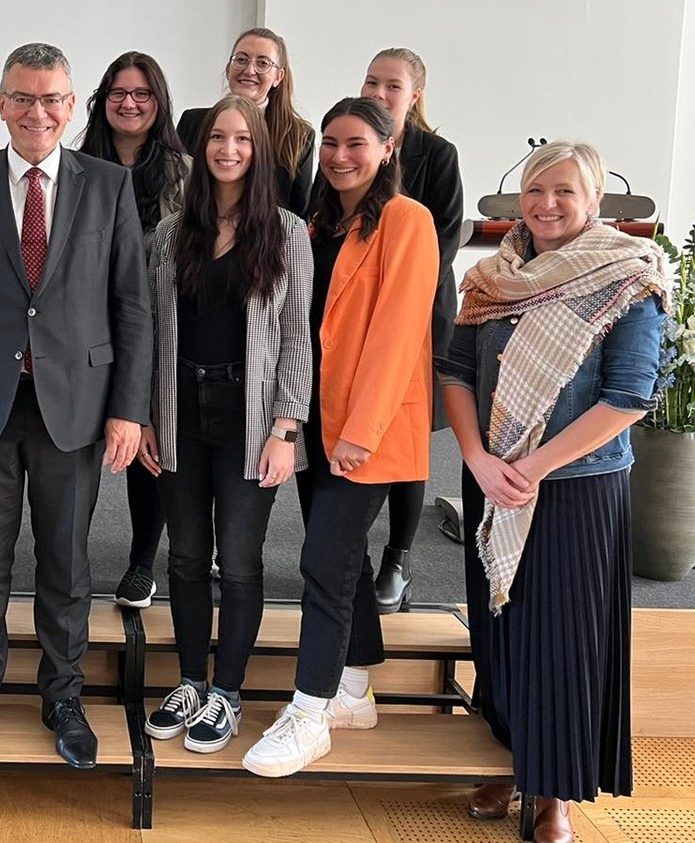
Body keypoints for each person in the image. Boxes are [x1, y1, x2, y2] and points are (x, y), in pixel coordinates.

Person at [0, 42, 153, 770]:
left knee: (66, 562)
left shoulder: (109, 185)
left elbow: (131, 306)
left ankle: (64, 696)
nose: (37, 111)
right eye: (22, 97)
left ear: (71, 106)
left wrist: (128, 408)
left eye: (51, 98)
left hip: (76, 404)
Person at [440, 141, 666, 843]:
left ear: (593, 201)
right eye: (537, 190)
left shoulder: (626, 279)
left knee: (563, 639)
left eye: (565, 191)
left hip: (574, 490)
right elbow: (454, 372)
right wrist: (477, 458)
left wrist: (533, 468)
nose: (547, 203)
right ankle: (510, 759)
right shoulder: (490, 277)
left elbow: (629, 396)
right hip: (492, 481)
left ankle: (555, 793)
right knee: (501, 630)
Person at [240, 98, 437, 778]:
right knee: (342, 555)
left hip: (367, 426)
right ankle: (353, 688)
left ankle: (309, 709)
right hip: (313, 417)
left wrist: (361, 432)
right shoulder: (319, 223)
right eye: (329, 142)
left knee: (323, 560)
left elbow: (397, 333)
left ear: (388, 148)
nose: (339, 155)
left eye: (355, 142)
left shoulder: (406, 220)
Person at [137, 95, 312, 753]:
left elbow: (297, 338)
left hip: (251, 417)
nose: (229, 149)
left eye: (242, 138)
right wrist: (148, 415)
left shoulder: (287, 232)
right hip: (180, 411)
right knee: (183, 555)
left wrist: (286, 427)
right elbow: (152, 333)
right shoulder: (172, 230)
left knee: (237, 560)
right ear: (201, 147)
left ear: (258, 149)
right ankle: (188, 680)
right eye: (218, 137)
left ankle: (228, 693)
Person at [76, 50, 189, 609]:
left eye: (142, 94)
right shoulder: (72, 166)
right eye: (119, 93)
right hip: (85, 328)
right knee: (77, 444)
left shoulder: (184, 173)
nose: (129, 103)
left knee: (149, 446)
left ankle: (143, 560)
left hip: (159, 329)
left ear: (158, 102)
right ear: (102, 101)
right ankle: (70, 557)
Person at [359, 47, 465, 614]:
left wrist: (390, 285)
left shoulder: (437, 154)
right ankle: (347, 551)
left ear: (415, 95)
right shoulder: (351, 141)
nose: (379, 93)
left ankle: (397, 557)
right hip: (354, 314)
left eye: (392, 85)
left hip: (419, 316)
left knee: (405, 438)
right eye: (371, 81)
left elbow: (446, 237)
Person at [176, 28, 314, 217]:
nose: (249, 70)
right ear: (227, 69)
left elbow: (300, 211)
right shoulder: (192, 122)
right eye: (241, 59)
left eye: (262, 63)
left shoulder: (298, 135)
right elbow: (176, 194)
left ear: (278, 77)